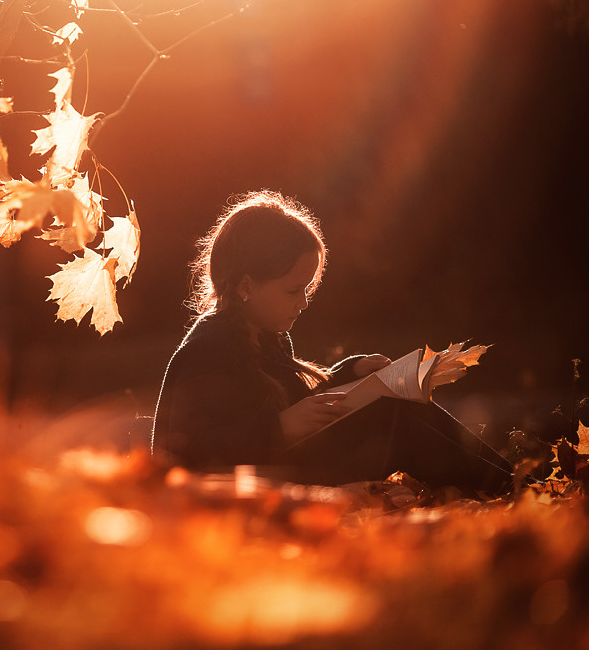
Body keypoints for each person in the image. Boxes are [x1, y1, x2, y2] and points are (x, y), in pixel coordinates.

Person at [150, 190, 513, 496]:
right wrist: (280, 427)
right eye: (293, 290)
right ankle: (504, 488)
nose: (303, 302)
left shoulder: (268, 337)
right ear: (246, 286)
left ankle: (508, 482)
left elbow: (301, 406)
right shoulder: (209, 350)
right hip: (268, 488)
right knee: (389, 413)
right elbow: (192, 455)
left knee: (397, 395)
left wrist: (352, 374)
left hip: (291, 468)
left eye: (307, 289)